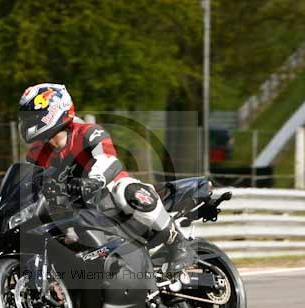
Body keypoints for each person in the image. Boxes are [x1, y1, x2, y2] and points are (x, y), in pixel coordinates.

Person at [19, 83, 194, 272]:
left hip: (108, 196)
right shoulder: (37, 153)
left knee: (126, 190)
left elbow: (108, 160)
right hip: (73, 208)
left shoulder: (87, 132)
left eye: (32, 115)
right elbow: (30, 182)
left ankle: (178, 243)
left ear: (53, 110)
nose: (27, 121)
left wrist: (93, 181)